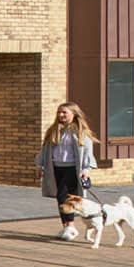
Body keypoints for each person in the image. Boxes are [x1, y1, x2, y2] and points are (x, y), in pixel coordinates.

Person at [35, 101, 96, 240]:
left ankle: (71, 226)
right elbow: (45, 149)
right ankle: (66, 227)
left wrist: (86, 169)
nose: (61, 115)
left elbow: (87, 152)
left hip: (72, 170)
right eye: (59, 112)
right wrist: (40, 165)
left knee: (67, 198)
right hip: (56, 168)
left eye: (64, 112)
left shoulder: (81, 132)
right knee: (60, 198)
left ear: (73, 114)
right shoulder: (54, 130)